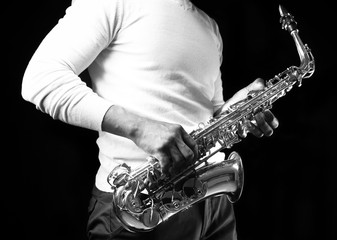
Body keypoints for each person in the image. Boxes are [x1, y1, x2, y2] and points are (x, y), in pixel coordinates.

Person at [22, 0, 279, 239]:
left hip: (215, 202)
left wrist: (238, 108)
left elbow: (205, 113)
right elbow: (41, 79)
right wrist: (140, 128)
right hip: (142, 205)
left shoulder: (208, 26)